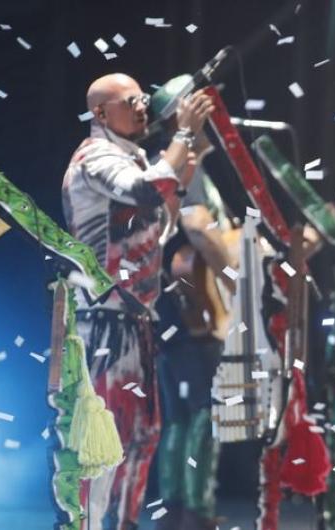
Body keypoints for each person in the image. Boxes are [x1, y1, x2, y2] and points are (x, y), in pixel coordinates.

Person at [61, 72, 212, 530]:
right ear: (102, 113)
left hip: (135, 321)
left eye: (143, 98)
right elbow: (144, 191)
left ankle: (123, 525)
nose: (143, 105)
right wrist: (182, 136)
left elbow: (159, 223)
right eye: (131, 101)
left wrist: (190, 157)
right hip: (102, 319)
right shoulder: (95, 157)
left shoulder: (134, 157)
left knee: (142, 437)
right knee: (103, 442)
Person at [147, 75, 235, 530]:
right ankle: (195, 512)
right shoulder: (187, 168)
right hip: (192, 311)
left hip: (169, 314)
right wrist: (239, 279)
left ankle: (177, 511)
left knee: (180, 415)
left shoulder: (166, 164)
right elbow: (200, 230)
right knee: (204, 411)